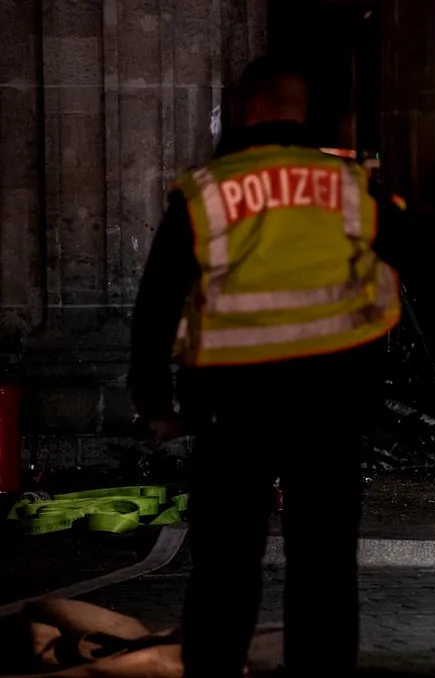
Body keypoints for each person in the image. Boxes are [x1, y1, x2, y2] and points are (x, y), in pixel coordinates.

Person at [128, 56, 417, 677]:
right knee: (325, 564)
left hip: (234, 403)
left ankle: (214, 668)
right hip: (331, 401)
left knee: (226, 563)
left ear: (246, 108)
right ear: (300, 111)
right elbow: (413, 251)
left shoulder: (205, 190)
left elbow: (156, 303)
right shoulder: (349, 185)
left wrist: (154, 400)